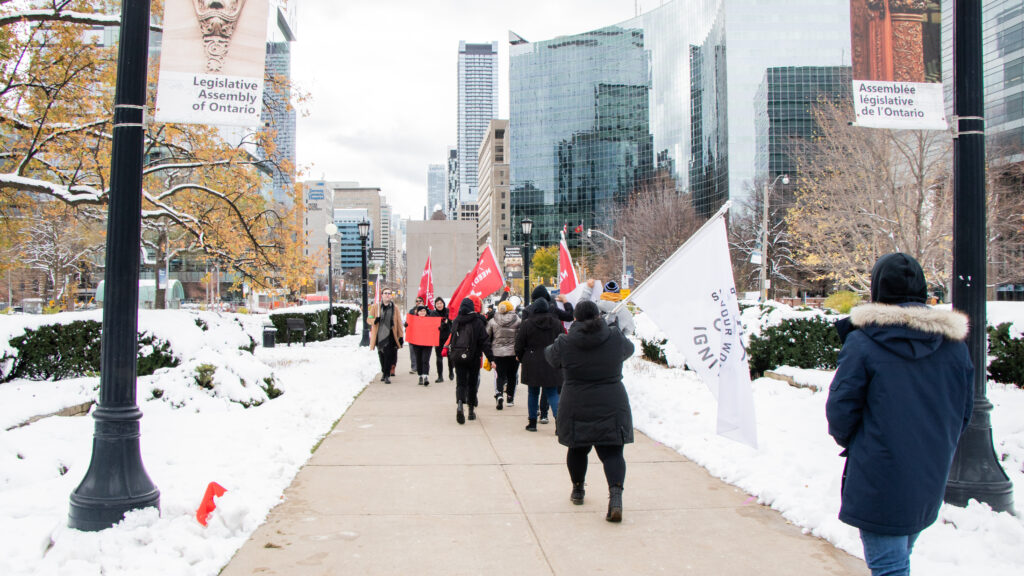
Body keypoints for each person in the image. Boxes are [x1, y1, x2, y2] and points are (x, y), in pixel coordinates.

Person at [826, 253, 973, 576]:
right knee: (898, 558)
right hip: (929, 472)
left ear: (878, 290)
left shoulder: (863, 343)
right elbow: (963, 411)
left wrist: (862, 444)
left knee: (890, 566)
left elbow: (840, 411)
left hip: (879, 472)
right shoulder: (955, 347)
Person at [546, 300, 635, 523]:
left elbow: (550, 357)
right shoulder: (614, 337)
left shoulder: (565, 342)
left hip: (577, 403)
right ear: (598, 316)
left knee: (577, 449)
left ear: (575, 318)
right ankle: (615, 496)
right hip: (611, 401)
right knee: (613, 452)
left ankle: (578, 489)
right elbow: (629, 350)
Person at [515, 296, 563, 432]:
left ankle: (532, 423)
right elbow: (562, 342)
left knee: (533, 393)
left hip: (532, 361)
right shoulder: (556, 323)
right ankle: (559, 423)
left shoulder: (527, 324)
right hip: (551, 360)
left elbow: (519, 343)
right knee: (552, 393)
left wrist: (521, 357)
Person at [447, 297, 492, 425]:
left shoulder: (456, 321)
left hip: (458, 356)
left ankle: (460, 404)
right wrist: (491, 358)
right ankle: (471, 411)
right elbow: (484, 341)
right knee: (472, 384)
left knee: (460, 383)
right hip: (473, 357)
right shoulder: (477, 322)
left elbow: (452, 339)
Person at [487, 300, 521, 409]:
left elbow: (487, 336)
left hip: (498, 353)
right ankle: (510, 398)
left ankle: (499, 394)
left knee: (499, 375)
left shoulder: (493, 320)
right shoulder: (518, 320)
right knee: (512, 375)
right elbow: (520, 337)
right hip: (513, 353)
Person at [369, 288, 404, 384]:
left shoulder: (394, 308)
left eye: (389, 293)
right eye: (385, 293)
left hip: (390, 335)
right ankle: (384, 371)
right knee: (382, 355)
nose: (387, 295)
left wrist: (401, 336)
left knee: (389, 355)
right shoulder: (376, 307)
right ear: (382, 295)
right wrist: (374, 320)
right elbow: (369, 318)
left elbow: (399, 322)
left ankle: (387, 375)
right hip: (379, 335)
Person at [409, 305, 434, 386]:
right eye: (420, 311)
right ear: (417, 312)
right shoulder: (413, 320)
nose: (422, 312)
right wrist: (407, 326)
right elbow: (410, 330)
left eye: (424, 311)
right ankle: (420, 376)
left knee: (425, 360)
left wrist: (438, 328)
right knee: (419, 360)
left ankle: (426, 376)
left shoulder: (430, 320)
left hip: (427, 343)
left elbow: (434, 329)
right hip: (417, 343)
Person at [431, 297, 453, 382]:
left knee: (450, 356)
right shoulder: (433, 313)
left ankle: (451, 371)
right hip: (438, 338)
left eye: (441, 303)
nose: (439, 305)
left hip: (448, 337)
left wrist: (447, 322)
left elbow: (451, 322)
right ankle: (440, 376)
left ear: (443, 304)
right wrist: (444, 323)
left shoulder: (448, 311)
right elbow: (434, 325)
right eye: (437, 304)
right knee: (439, 357)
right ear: (435, 305)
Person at [406, 296, 425, 373]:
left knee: (423, 352)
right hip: (413, 334)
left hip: (423, 334)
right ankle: (414, 367)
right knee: (413, 351)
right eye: (417, 301)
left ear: (423, 302)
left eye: (420, 301)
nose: (418, 302)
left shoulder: (427, 311)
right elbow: (409, 321)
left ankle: (422, 366)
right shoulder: (411, 311)